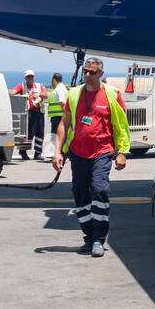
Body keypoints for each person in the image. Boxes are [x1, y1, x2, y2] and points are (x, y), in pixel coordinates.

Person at [52, 56, 131, 258]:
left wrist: (121, 152)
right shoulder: (75, 94)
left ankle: (98, 239)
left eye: (92, 72)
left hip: (102, 152)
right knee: (80, 194)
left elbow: (121, 126)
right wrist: (57, 152)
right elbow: (64, 123)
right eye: (85, 71)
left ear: (101, 74)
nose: (87, 75)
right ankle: (88, 237)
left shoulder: (112, 95)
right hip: (78, 153)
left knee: (99, 189)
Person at [10, 69, 46, 159]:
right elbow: (13, 92)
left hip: (39, 112)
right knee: (29, 133)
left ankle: (38, 153)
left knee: (40, 133)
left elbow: (45, 95)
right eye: (29, 77)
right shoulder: (22, 86)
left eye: (32, 76)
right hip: (29, 113)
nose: (31, 78)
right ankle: (23, 152)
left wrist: (39, 95)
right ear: (25, 78)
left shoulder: (38, 85)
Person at [46, 72, 68, 161]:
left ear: (54, 79)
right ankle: (61, 154)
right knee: (58, 136)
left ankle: (61, 154)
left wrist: (66, 114)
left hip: (59, 117)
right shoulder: (62, 88)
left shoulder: (59, 89)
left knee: (57, 136)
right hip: (58, 116)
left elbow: (62, 102)